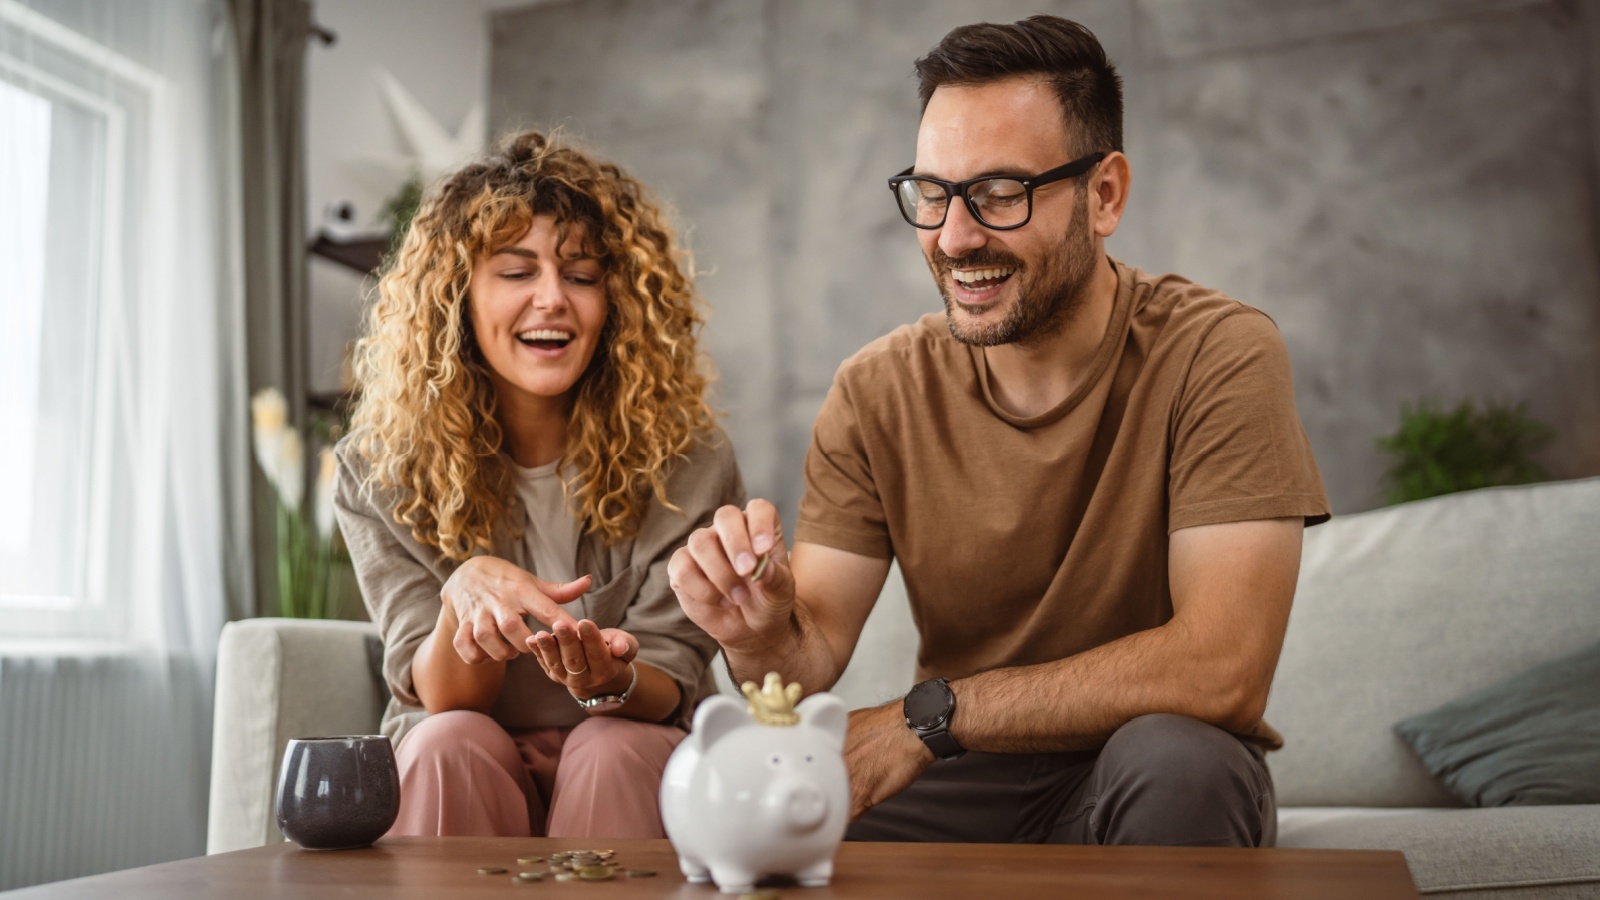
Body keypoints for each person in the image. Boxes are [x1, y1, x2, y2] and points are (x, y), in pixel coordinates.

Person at [668, 16, 1329, 847]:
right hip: (960, 776)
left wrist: (931, 716)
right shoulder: (876, 391)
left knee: (1181, 763)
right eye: (933, 193)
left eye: (1001, 193)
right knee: (766, 822)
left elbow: (1223, 668)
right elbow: (802, 666)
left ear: (1106, 194)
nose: (954, 237)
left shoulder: (1218, 353)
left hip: (1137, 768)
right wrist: (757, 628)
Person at [336, 131, 741, 839]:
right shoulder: (377, 470)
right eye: (517, 272)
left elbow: (668, 678)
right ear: (458, 294)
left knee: (610, 748)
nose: (552, 299)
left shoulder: (690, 460)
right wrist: (466, 598)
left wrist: (604, 680)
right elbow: (438, 697)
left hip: (631, 741)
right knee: (445, 743)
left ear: (617, 302)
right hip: (464, 744)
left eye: (582, 276)